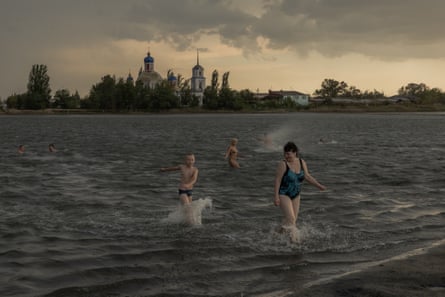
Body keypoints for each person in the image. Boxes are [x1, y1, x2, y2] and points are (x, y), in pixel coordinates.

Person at [274, 141, 326, 242]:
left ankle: (277, 234)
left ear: (295, 153)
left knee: (291, 220)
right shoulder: (283, 164)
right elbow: (277, 180)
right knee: (291, 219)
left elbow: (307, 176)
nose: (286, 156)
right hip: (284, 194)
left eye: (288, 153)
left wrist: (319, 185)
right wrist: (276, 197)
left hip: (296, 195)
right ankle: (293, 242)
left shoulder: (302, 162)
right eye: (285, 153)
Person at [160, 153, 199, 224]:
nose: (190, 161)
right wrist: (164, 169)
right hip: (182, 190)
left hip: (190, 190)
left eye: (192, 160)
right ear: (185, 160)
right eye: (188, 160)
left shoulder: (195, 170)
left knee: (189, 208)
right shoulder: (182, 167)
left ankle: (186, 221)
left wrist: (188, 184)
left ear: (194, 160)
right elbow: (173, 168)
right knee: (187, 207)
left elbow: (194, 179)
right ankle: (190, 223)